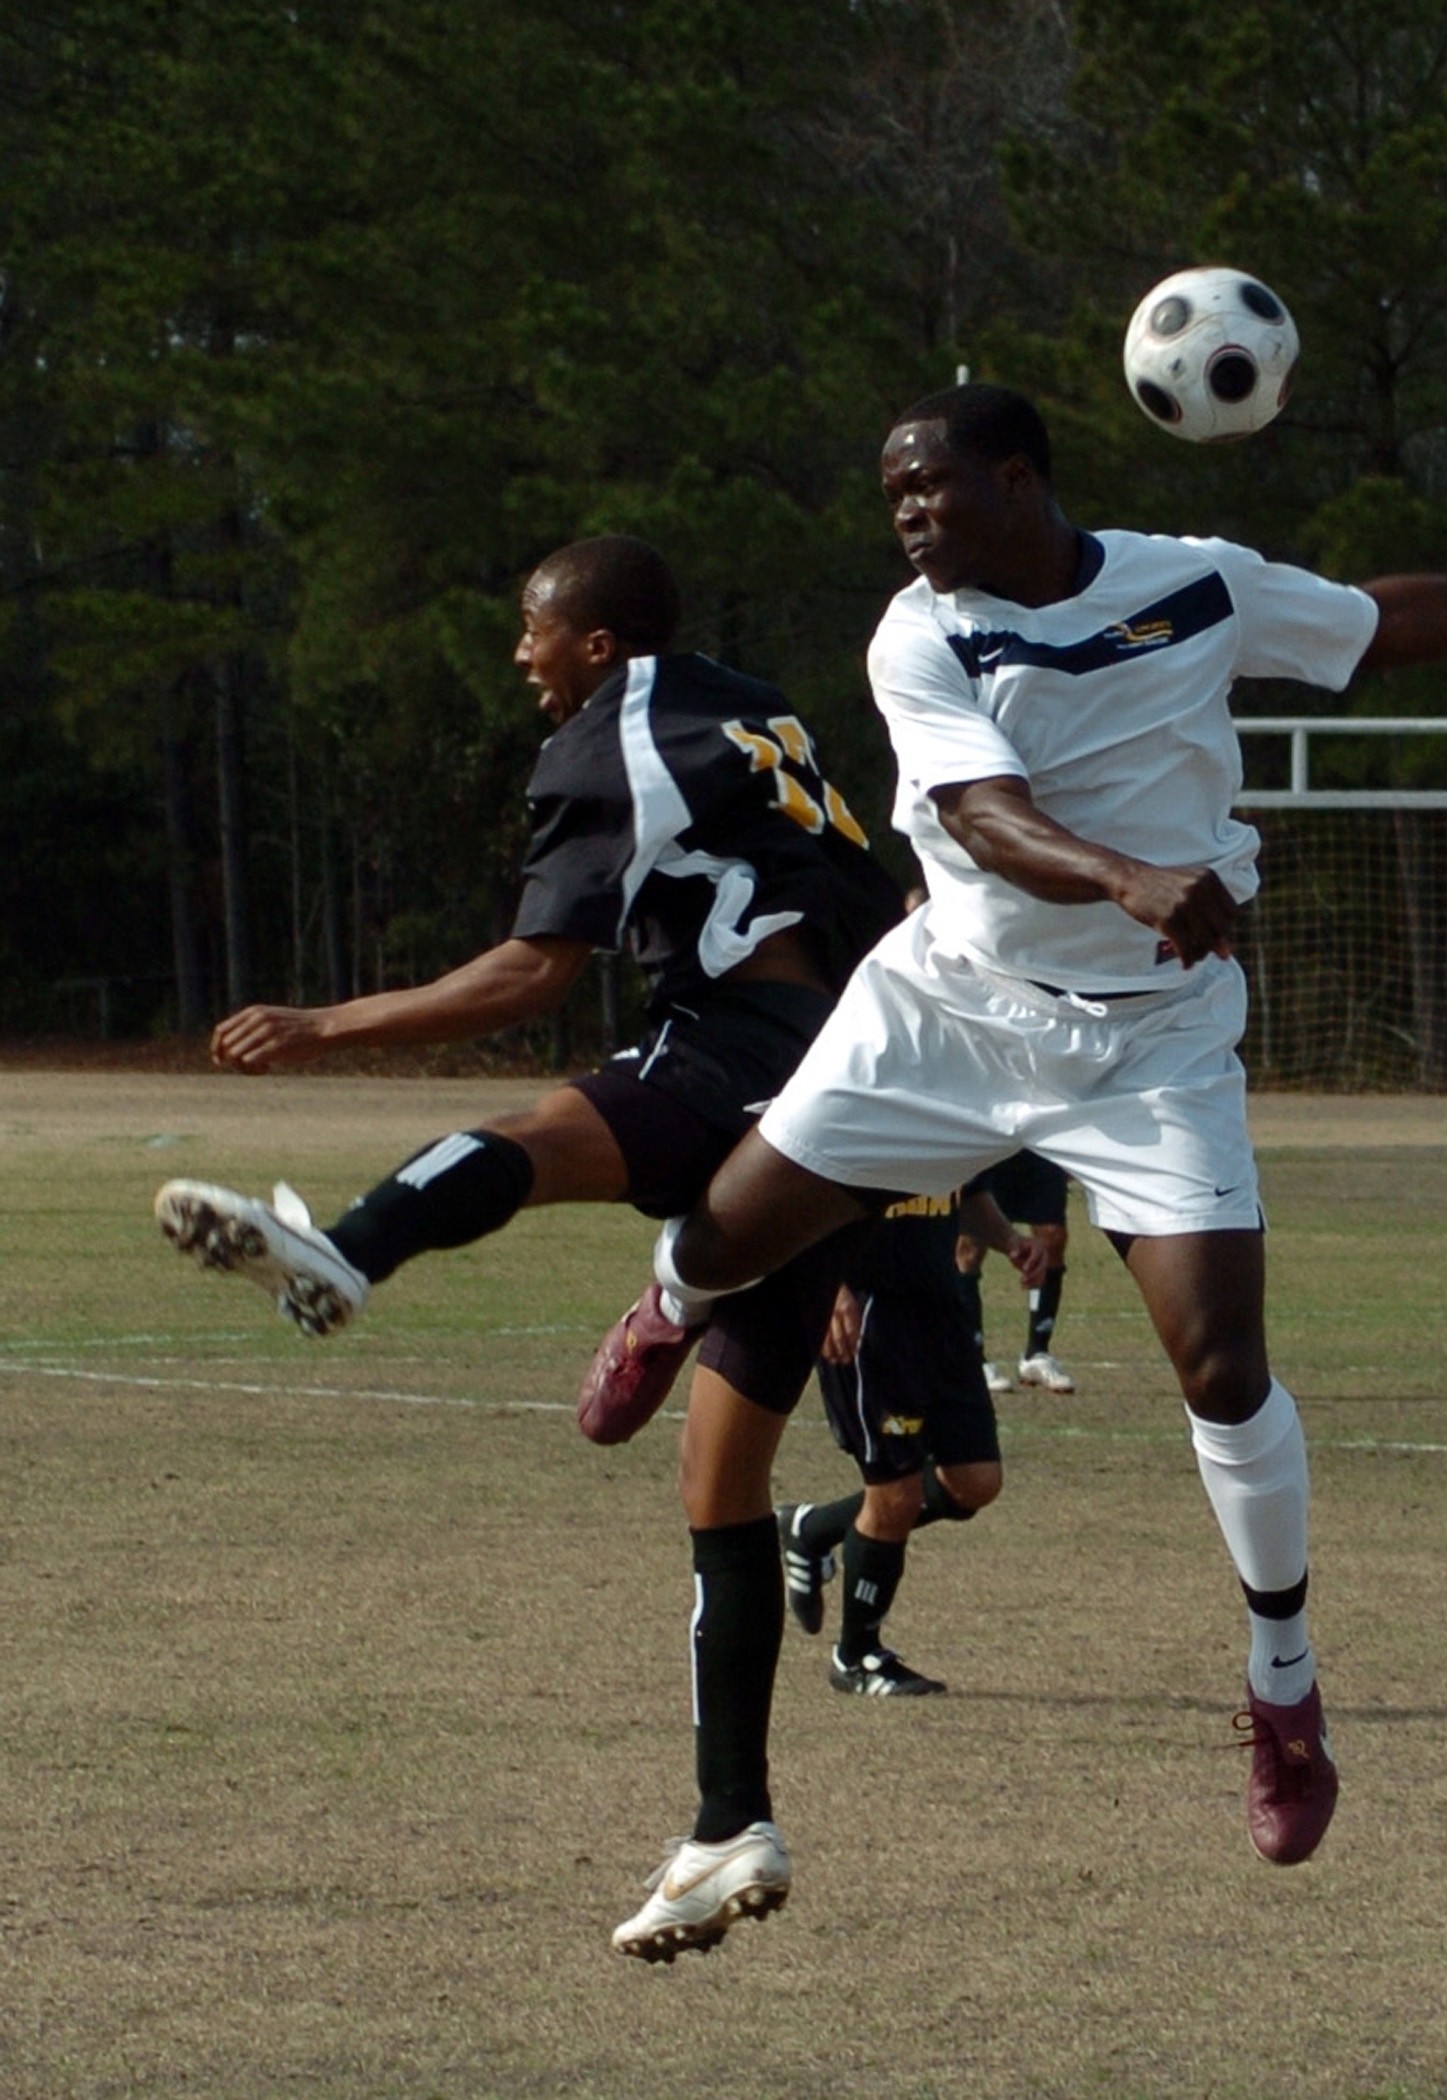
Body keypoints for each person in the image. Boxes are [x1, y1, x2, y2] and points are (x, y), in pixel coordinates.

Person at [585, 383, 1447, 1908]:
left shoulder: (1194, 580)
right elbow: (988, 815)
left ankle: (1284, 1694)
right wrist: (1132, 876)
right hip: (947, 1009)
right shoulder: (919, 631)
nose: (906, 515)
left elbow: (1387, 620)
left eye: (929, 489)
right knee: (725, 1239)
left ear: (1018, 480)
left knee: (1221, 1364)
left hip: (1150, 1038)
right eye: (892, 493)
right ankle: (662, 1312)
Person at [150, 532, 903, 1961]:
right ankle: (726, 1821)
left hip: (739, 1048)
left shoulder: (610, 737)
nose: (520, 655)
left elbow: (528, 972)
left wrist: (322, 1026)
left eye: (531, 629)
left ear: (597, 644)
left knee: (536, 1130)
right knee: (718, 1482)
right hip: (851, 1087)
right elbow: (864, 911)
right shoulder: (761, 714)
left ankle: (351, 1255)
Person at [779, 1174, 1045, 1695]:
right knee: (894, 1492)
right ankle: (856, 1657)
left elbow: (966, 1192)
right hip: (869, 1310)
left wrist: (1010, 1239)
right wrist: (826, 1284)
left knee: (974, 1481)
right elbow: (793, 1191)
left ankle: (811, 1529)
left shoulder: (952, 1103)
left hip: (939, 1307)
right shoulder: (852, 1098)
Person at [953, 1150, 1076, 1393]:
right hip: (990, 1134)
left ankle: (1037, 1352)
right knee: (970, 1244)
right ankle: (972, 1358)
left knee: (1052, 1235)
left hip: (1035, 1138)